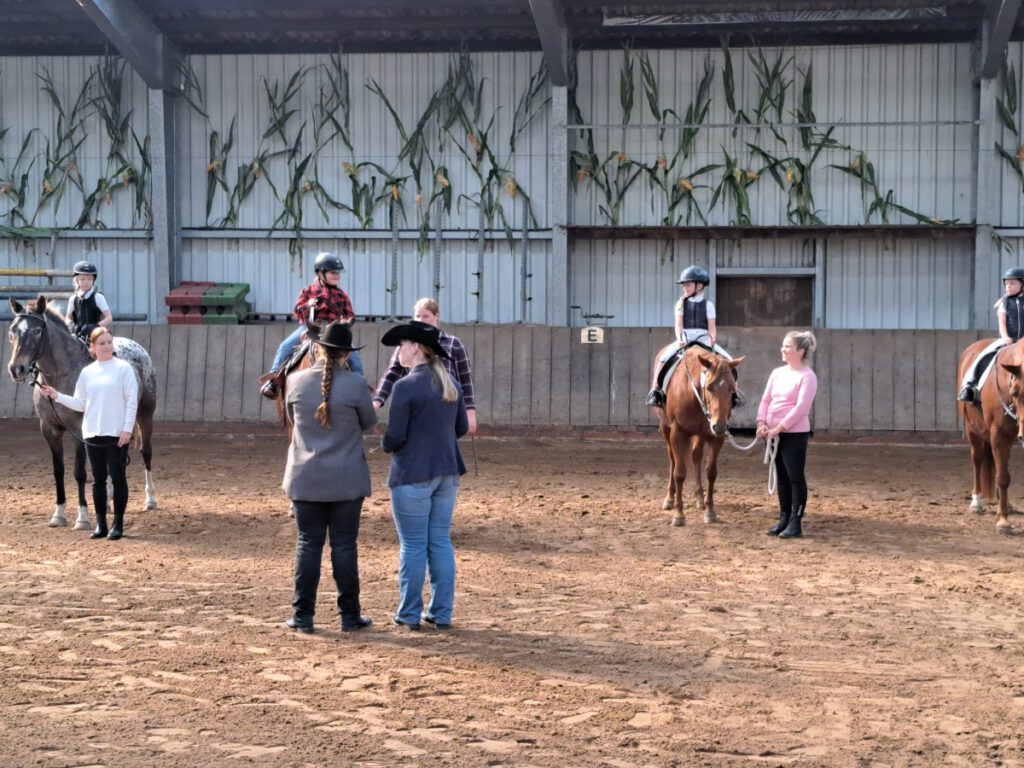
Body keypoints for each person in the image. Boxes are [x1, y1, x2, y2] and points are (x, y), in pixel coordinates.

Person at [281, 321, 376, 634]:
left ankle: (303, 616)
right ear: (346, 354)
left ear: (317, 348)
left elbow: (294, 421)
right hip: (347, 479)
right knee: (345, 547)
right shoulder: (357, 384)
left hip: (305, 477)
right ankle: (349, 616)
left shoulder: (294, 382)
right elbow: (368, 423)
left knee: (308, 545)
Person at [380, 321, 469, 631]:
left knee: (413, 546)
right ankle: (442, 613)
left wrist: (383, 444)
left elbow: (395, 437)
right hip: (447, 471)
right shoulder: (451, 384)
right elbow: (460, 429)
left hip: (413, 473)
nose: (399, 351)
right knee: (440, 542)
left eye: (401, 345)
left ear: (415, 348)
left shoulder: (404, 387)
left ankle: (408, 614)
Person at [39, 327, 138, 540]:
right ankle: (101, 524)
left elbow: (131, 401)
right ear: (92, 348)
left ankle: (117, 524)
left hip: (116, 434)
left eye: (109, 342)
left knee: (118, 479)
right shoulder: (87, 372)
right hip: (92, 433)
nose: (106, 346)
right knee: (98, 480)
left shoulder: (124, 369)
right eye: (101, 343)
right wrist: (56, 396)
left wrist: (127, 429)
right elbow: (80, 403)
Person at [261, 252, 364, 399]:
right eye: (333, 272)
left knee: (354, 355)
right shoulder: (308, 291)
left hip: (334, 331)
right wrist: (307, 305)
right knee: (285, 347)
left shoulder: (342, 295)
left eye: (338, 273)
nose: (337, 276)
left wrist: (346, 323)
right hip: (309, 328)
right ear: (320, 273)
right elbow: (297, 310)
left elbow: (350, 315)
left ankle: (361, 386)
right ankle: (274, 381)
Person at [373, 297, 478, 435]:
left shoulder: (453, 343)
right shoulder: (406, 344)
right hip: (417, 405)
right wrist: (378, 399)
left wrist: (470, 411)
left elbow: (465, 379)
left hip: (445, 404)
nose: (421, 320)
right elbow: (392, 374)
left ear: (436, 316)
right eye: (417, 316)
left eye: (426, 316)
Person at [645, 265, 739, 408]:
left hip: (703, 337)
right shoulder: (680, 304)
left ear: (699, 285)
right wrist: (680, 338)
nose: (685, 288)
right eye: (684, 285)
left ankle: (734, 394)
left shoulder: (708, 305)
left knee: (730, 360)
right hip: (686, 337)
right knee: (663, 359)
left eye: (688, 285)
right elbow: (678, 325)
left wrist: (713, 338)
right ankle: (656, 390)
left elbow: (712, 327)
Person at [756, 330, 819, 539]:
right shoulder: (777, 373)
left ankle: (795, 521)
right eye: (783, 346)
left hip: (793, 434)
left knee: (794, 477)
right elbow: (766, 400)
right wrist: (761, 422)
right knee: (781, 477)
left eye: (788, 347)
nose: (783, 350)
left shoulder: (807, 377)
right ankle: (783, 518)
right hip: (774, 433)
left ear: (800, 351)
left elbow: (801, 408)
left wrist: (779, 428)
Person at [959, 266, 1024, 403]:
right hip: (1008, 339)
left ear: (1022, 284)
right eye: (1006, 284)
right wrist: (1005, 336)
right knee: (984, 354)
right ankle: (968, 385)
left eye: (1012, 283)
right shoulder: (1004, 302)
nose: (1008, 286)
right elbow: (1002, 322)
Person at [64, 261, 113, 341]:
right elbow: (67, 318)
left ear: (93, 280)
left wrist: (95, 326)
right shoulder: (73, 299)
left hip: (96, 335)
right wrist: (71, 325)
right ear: (77, 280)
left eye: (89, 279)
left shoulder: (98, 297)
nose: (86, 282)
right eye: (82, 279)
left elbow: (109, 318)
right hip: (78, 335)